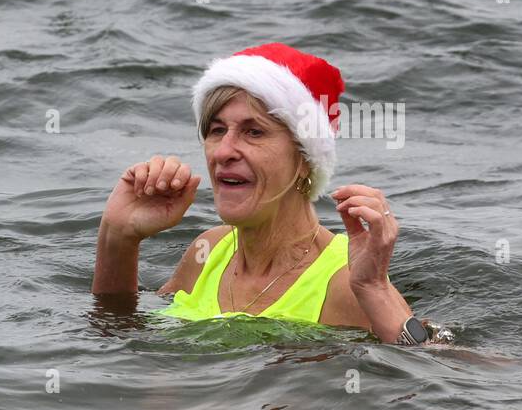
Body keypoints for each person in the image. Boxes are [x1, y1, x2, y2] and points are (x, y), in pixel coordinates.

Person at [92, 43, 447, 345]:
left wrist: (375, 290)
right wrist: (118, 239)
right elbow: (117, 332)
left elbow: (445, 376)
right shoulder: (208, 253)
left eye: (254, 132)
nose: (223, 151)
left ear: (305, 159)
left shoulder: (345, 283)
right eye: (217, 130)